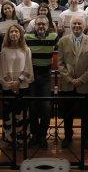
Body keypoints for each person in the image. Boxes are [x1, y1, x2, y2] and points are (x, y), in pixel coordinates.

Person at [57, 16, 88, 149]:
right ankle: (68, 136)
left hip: (84, 85)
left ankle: (85, 138)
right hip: (67, 85)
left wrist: (80, 80)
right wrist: (70, 79)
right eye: (74, 23)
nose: (77, 26)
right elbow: (60, 63)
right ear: (70, 25)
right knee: (67, 113)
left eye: (79, 23)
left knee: (86, 115)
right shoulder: (62, 41)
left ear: (84, 25)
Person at [24, 16, 59, 149]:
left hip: (45, 75)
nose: (41, 27)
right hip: (31, 75)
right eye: (38, 24)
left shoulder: (53, 37)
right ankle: (34, 135)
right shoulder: (27, 37)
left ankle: (42, 136)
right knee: (32, 107)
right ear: (34, 26)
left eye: (43, 24)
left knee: (45, 108)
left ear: (47, 25)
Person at [0, 24, 34, 146]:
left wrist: (18, 81)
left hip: (22, 86)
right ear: (8, 35)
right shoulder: (4, 50)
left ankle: (22, 140)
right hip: (8, 87)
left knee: (22, 114)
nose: (14, 34)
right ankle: (9, 140)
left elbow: (28, 67)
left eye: (16, 32)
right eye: (11, 32)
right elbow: (2, 70)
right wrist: (11, 84)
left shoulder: (26, 49)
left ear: (20, 34)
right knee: (9, 114)